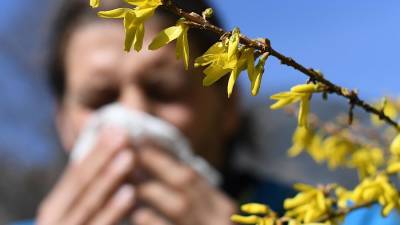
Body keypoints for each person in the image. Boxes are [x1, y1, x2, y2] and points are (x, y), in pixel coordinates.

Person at [11, 0, 294, 224]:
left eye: (164, 91)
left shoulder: (322, 216)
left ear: (228, 106)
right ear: (63, 123)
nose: (132, 116)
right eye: (100, 99)